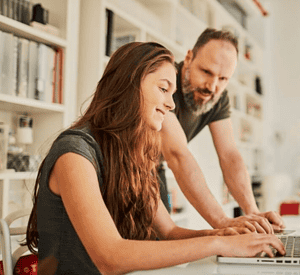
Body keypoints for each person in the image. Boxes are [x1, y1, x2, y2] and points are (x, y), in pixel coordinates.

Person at [25, 42, 285, 275]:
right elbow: (110, 257)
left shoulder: (134, 155)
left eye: (172, 93)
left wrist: (225, 233)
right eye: (163, 89)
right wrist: (219, 243)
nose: (171, 105)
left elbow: (169, 232)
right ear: (128, 84)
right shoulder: (75, 153)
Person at [159, 28, 285, 234]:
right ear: (189, 58)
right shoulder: (165, 80)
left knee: (159, 242)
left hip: (153, 168)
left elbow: (229, 155)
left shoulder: (218, 98)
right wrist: (222, 221)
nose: (212, 86)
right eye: (206, 72)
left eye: (223, 79)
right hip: (115, 159)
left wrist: (252, 212)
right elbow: (177, 154)